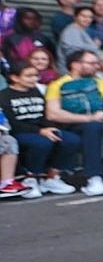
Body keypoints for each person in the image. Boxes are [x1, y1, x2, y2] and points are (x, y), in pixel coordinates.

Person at [45, 48, 103, 196]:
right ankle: (94, 177)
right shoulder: (57, 85)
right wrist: (89, 118)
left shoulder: (101, 83)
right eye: (92, 63)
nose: (97, 66)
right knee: (92, 126)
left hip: (100, 123)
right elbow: (53, 113)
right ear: (75, 65)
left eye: (97, 63)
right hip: (69, 124)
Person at [0, 62, 75, 194]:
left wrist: (49, 128)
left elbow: (45, 114)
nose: (34, 79)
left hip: (42, 129)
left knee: (71, 140)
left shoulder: (36, 91)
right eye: (29, 76)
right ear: (15, 77)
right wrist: (39, 131)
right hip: (21, 132)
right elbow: (12, 122)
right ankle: (31, 178)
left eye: (36, 75)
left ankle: (52, 178)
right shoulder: (4, 96)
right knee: (41, 143)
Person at [56, 5, 101, 70]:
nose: (87, 19)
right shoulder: (71, 31)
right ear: (75, 17)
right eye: (83, 16)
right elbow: (75, 52)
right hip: (71, 72)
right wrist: (94, 46)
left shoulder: (81, 30)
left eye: (90, 17)